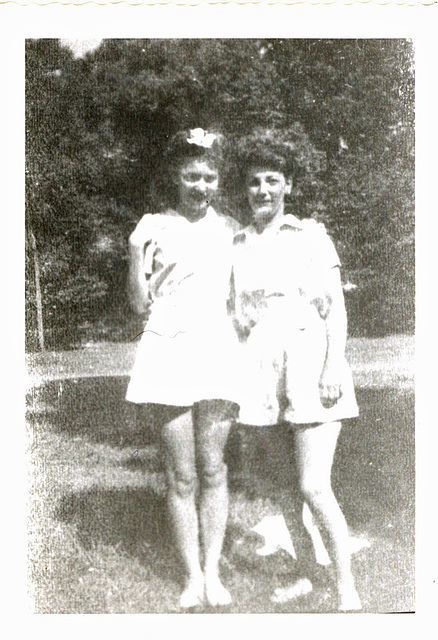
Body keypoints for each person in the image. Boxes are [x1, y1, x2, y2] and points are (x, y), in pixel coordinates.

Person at [229, 129, 362, 611]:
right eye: (253, 183)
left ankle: (346, 587)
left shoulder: (310, 235)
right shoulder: (238, 242)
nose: (262, 191)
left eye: (272, 181)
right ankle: (308, 574)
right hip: (261, 368)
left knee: (313, 485)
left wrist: (333, 364)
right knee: (284, 488)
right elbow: (237, 310)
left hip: (310, 361)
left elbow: (336, 311)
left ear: (288, 185)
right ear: (245, 190)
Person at [126, 128, 239, 609]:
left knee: (214, 468)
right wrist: (135, 253)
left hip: (216, 350)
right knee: (182, 474)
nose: (201, 186)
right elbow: (136, 304)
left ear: (218, 180)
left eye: (209, 176)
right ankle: (191, 578)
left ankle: (214, 574)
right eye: (192, 176)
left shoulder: (231, 228)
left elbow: (245, 296)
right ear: (176, 177)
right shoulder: (153, 226)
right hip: (167, 351)